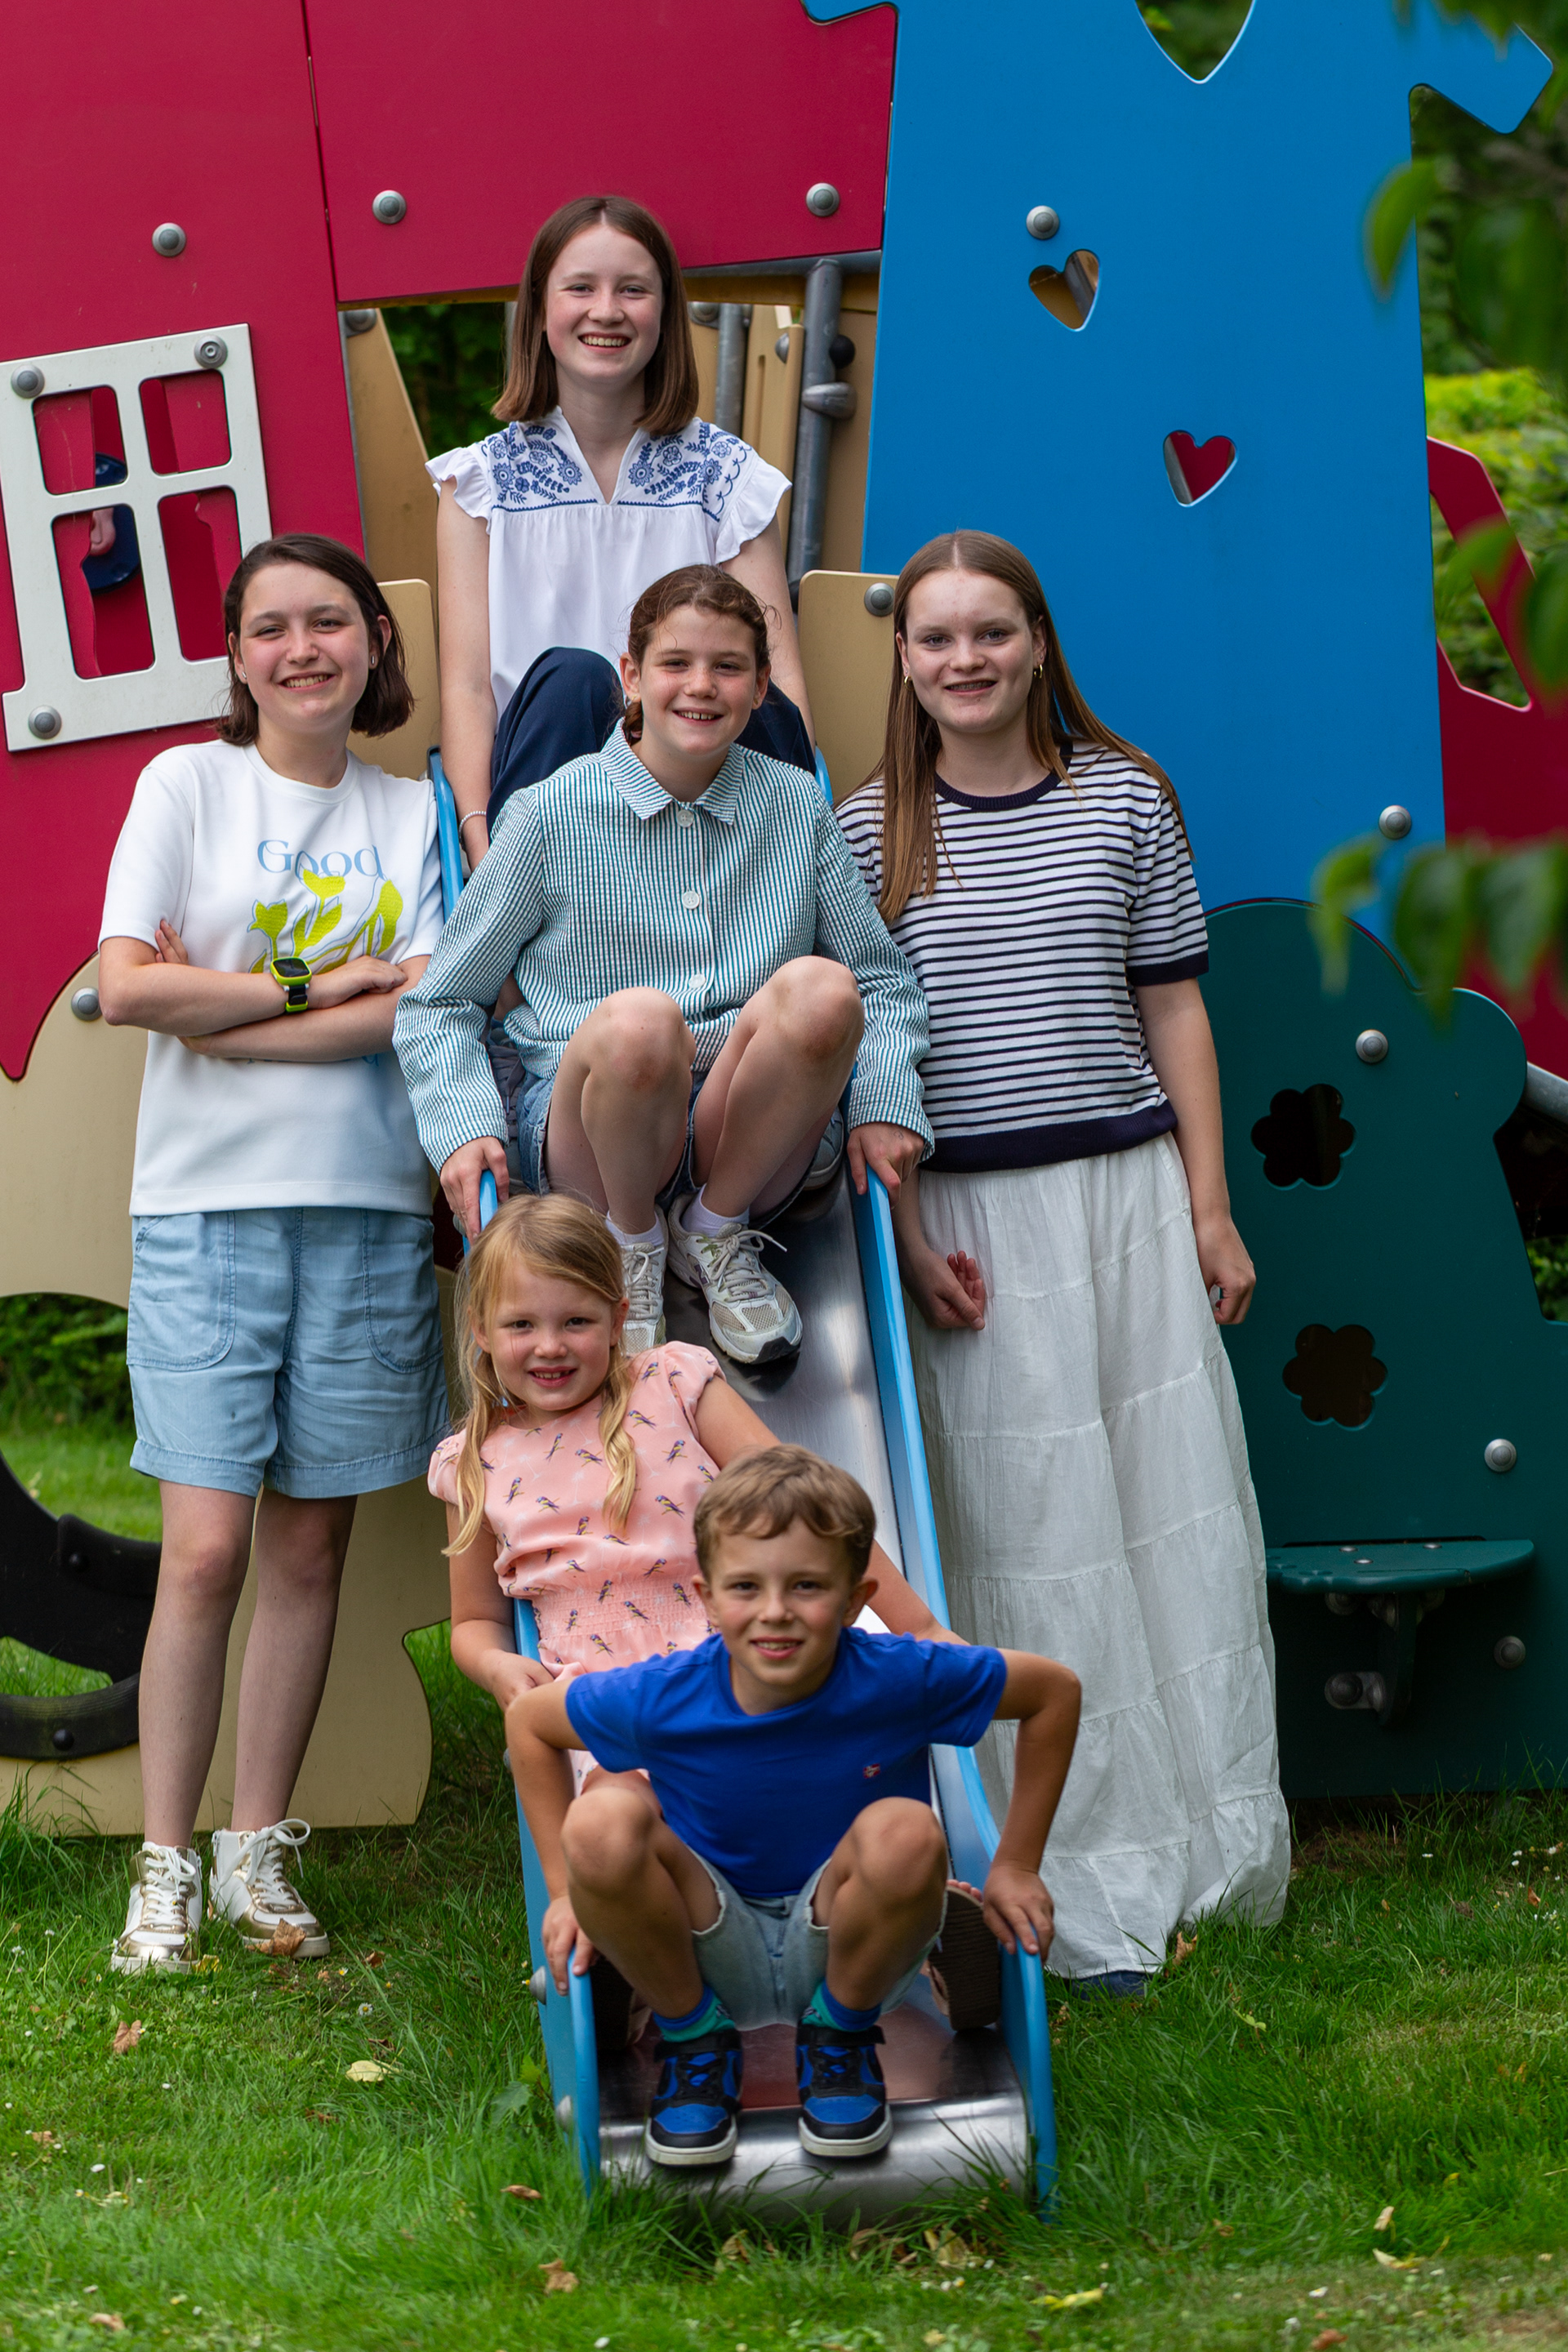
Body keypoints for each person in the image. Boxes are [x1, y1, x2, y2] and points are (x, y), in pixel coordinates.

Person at [837, 530, 1290, 1993]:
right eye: (936, 638)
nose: (964, 660)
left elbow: (1175, 1011)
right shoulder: (868, 831)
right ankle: (1057, 1854)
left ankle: (1205, 1833)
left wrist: (1210, 1206)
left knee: (1164, 1504)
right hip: (971, 1221)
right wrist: (911, 1236)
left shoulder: (1126, 796)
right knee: (1030, 1527)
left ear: (1038, 643)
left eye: (993, 632)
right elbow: (875, 1064)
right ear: (903, 660)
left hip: (1126, 1193)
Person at [96, 533, 448, 1975]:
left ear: (374, 642)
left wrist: (230, 1013)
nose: (304, 649)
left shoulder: (417, 813)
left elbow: (420, 1009)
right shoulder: (186, 785)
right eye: (271, 629)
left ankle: (257, 1851)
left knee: (309, 1546)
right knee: (204, 1553)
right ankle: (163, 1868)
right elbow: (129, 989)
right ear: (238, 659)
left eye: (330, 622)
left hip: (367, 1209)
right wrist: (313, 984)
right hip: (203, 1209)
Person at [394, 567, 929, 1367]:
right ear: (633, 678)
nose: (701, 686)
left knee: (826, 991)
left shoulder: (795, 806)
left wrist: (885, 1100)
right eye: (676, 663)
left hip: (747, 1138)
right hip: (594, 1131)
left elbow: (882, 980)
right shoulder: (550, 814)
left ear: (760, 688)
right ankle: (627, 1246)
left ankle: (714, 1232)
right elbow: (439, 1003)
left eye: (728, 667)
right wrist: (463, 1126)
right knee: (642, 1020)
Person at [507, 1447, 1081, 2167]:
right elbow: (530, 1724)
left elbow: (1053, 1693)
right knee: (601, 1820)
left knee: (908, 1831)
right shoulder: (666, 1695)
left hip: (847, 1939)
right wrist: (564, 1894)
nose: (774, 1611)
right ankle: (693, 2042)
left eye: (806, 1585)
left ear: (855, 1599)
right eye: (746, 1586)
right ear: (706, 1596)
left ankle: (840, 2038)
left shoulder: (902, 1679)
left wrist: (1017, 1864)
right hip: (706, 1939)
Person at [430, 192, 816, 865]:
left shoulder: (726, 477)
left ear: (664, 312)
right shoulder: (481, 485)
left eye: (633, 290)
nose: (606, 310)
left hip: (704, 784)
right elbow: (467, 688)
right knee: (575, 680)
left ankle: (748, 886)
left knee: (721, 685)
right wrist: (476, 832)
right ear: (538, 309)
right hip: (548, 794)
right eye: (580, 287)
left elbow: (774, 673)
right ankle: (541, 913)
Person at [435, 1192, 951, 1695]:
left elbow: (808, 1502)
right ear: (482, 1330)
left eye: (576, 1321)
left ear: (617, 1320)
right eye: (521, 1325)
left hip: (732, 1671)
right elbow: (477, 1620)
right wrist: (495, 1664)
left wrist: (921, 1629)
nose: (550, 1346)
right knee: (567, 1751)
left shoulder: (670, 1385)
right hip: (601, 1703)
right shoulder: (474, 1463)